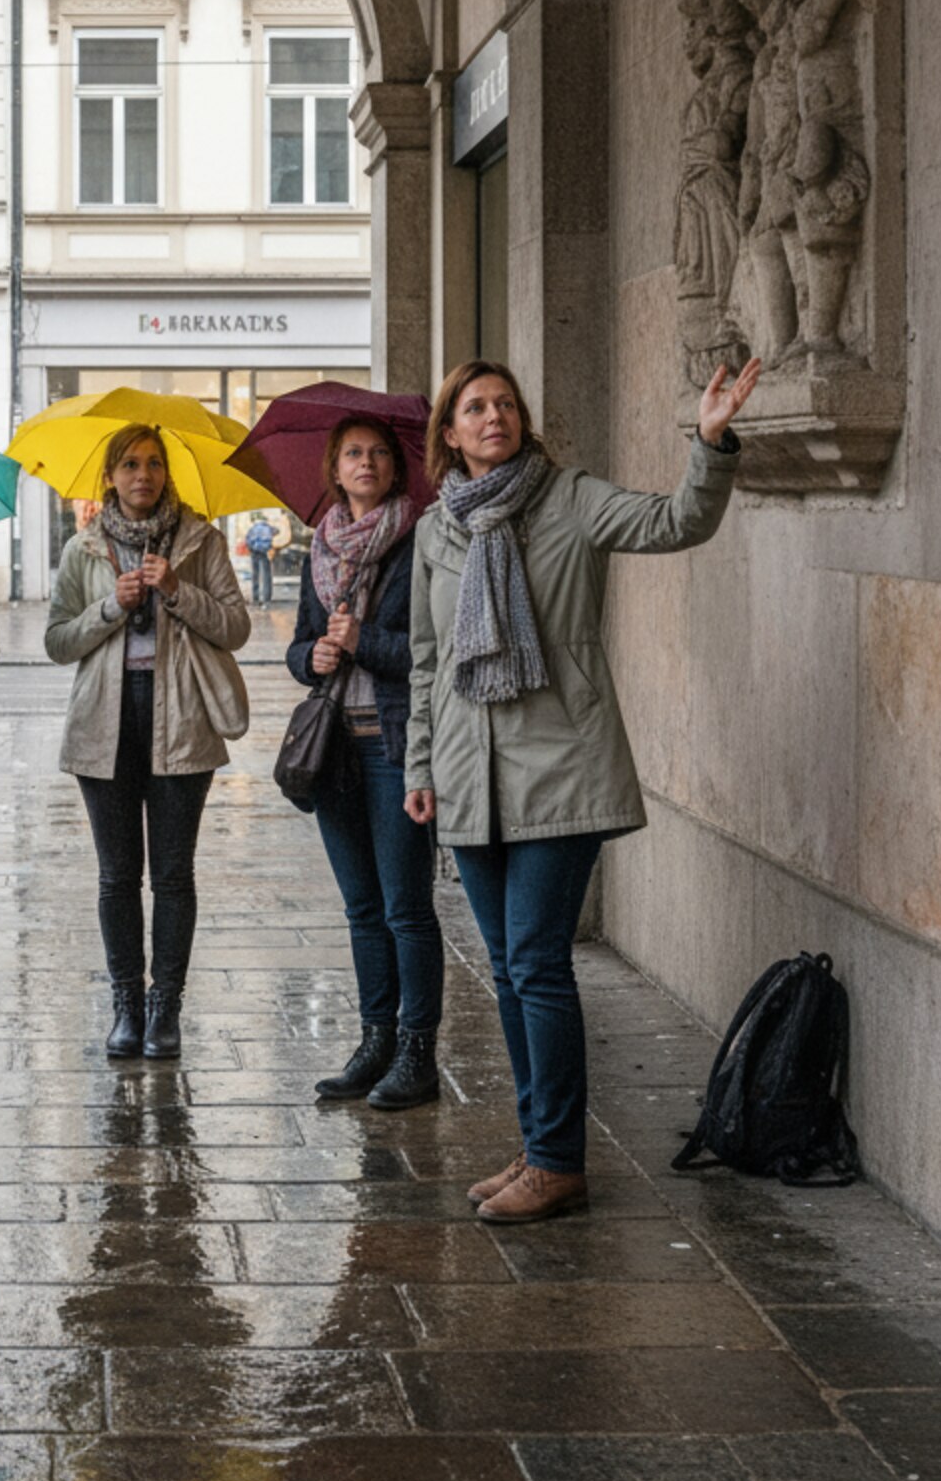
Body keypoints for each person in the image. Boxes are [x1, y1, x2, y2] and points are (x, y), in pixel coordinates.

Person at [406, 355, 761, 1224]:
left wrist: (708, 444)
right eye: (476, 408)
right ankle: (538, 1147)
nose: (495, 417)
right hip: (468, 774)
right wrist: (420, 766)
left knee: (535, 962)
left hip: (560, 765)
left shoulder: (570, 498)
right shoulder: (435, 531)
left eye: (507, 404)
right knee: (506, 969)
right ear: (449, 435)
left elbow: (676, 521)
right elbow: (429, 662)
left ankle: (560, 1161)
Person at [45, 426, 251, 1060]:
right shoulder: (83, 548)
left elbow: (236, 627)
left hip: (181, 719)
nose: (143, 475)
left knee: (172, 874)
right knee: (116, 877)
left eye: (154, 464)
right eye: (130, 464)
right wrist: (111, 606)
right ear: (110, 475)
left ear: (168, 473)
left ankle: (166, 1009)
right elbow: (57, 641)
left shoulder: (201, 540)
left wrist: (176, 591)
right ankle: (126, 1006)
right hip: (105, 722)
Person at [289, 418, 440, 1108]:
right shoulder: (319, 546)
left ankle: (417, 1052)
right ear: (334, 465)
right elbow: (298, 647)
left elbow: (433, 652)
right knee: (361, 908)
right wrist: (313, 655)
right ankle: (374, 1039)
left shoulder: (421, 541)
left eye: (380, 452)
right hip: (334, 752)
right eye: (353, 451)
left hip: (394, 743)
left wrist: (363, 640)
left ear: (396, 468)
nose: (368, 462)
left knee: (406, 907)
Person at [246, 515, 277, 605]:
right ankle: (266, 598)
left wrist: (252, 548)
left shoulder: (252, 529)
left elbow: (248, 540)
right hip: (265, 552)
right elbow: (277, 531)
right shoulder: (268, 528)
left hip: (254, 553)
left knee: (255, 575)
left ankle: (256, 598)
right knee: (266, 575)